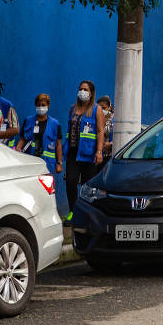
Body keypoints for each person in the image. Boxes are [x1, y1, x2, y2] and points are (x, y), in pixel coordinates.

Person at [64, 80, 104, 221]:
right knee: (70, 181)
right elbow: (69, 132)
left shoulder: (96, 109)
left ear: (91, 93)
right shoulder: (72, 109)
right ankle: (72, 211)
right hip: (73, 152)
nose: (82, 92)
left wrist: (99, 151)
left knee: (87, 185)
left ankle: (87, 213)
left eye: (85, 89)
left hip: (89, 153)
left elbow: (100, 131)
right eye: (80, 89)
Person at [15, 94, 63, 174]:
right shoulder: (28, 120)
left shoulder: (55, 124)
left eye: (43, 105)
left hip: (47, 164)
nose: (41, 107)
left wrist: (59, 163)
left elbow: (58, 145)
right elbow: (22, 140)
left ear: (48, 105)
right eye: (38, 105)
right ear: (35, 105)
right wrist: (16, 152)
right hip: (30, 162)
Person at [97, 95, 114, 169]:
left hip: (110, 156)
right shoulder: (96, 119)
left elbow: (122, 137)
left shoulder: (116, 120)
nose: (101, 110)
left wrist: (111, 144)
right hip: (97, 155)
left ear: (109, 107)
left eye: (103, 108)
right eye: (99, 108)